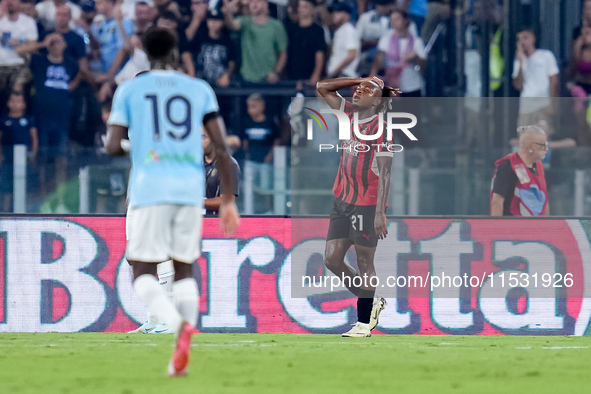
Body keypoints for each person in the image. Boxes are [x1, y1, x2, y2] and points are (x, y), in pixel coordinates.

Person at [106, 27, 240, 377]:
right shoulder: (199, 88)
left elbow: (111, 145)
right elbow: (222, 148)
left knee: (140, 267)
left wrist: (136, 147)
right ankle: (178, 335)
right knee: (183, 267)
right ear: (176, 51)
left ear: (144, 52)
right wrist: (228, 199)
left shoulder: (130, 89)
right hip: (187, 190)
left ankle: (172, 324)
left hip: (149, 189)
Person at [316, 75, 398, 337]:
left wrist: (380, 213)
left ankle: (364, 323)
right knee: (331, 259)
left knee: (365, 262)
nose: (358, 90)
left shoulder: (382, 128)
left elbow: (385, 174)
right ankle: (372, 302)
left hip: (366, 204)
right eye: (358, 87)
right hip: (342, 200)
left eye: (366, 89)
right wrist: (359, 78)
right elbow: (321, 87)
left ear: (376, 100)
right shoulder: (347, 113)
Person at [222, 0, 288, 84]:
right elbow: (231, 25)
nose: (254, 4)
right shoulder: (244, 22)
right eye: (251, 1)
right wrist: (228, 12)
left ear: (265, 4)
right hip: (247, 79)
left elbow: (283, 53)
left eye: (257, 1)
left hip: (268, 79)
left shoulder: (277, 26)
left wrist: (276, 73)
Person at [490, 125, 549, 217]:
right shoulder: (507, 165)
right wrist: (498, 229)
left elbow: (543, 200)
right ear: (531, 147)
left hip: (535, 227)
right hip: (512, 226)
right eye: (543, 145)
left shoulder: (538, 166)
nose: (546, 149)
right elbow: (497, 201)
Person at [370, 8, 426, 96]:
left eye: (397, 19)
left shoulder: (417, 41)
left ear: (406, 21)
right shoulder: (386, 39)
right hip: (391, 85)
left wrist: (414, 58)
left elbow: (424, 65)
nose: (393, 22)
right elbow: (379, 57)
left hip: (412, 86)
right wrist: (373, 72)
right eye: (392, 19)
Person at [512, 27, 559, 128]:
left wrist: (552, 103)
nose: (522, 42)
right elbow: (518, 86)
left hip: (543, 104)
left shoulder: (546, 56)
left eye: (525, 38)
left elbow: (553, 81)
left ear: (533, 38)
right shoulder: (518, 60)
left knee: (543, 137)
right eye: (519, 39)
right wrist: (520, 63)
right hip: (526, 106)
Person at [0, 91, 38, 211]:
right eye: (13, 101)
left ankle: (24, 211)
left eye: (19, 101)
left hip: (24, 159)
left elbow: (34, 138)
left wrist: (34, 154)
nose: (15, 104)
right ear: (8, 103)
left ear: (24, 105)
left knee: (24, 183)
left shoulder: (29, 120)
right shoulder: (3, 120)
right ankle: (6, 211)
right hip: (7, 159)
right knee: (6, 185)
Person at [285, 0, 326, 86]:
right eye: (299, 6)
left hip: (309, 75)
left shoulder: (318, 31)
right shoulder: (290, 29)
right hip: (291, 75)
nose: (301, 9)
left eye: (305, 7)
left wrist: (316, 74)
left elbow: (319, 54)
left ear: (313, 10)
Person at [204, 131, 241, 215]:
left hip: (215, 222)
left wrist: (195, 202)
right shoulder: (195, 163)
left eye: (203, 137)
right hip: (195, 221)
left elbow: (226, 201)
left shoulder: (229, 164)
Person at [326, 3, 360, 79]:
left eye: (338, 12)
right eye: (334, 12)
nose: (334, 14)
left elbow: (352, 55)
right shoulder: (341, 30)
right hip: (339, 75)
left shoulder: (348, 29)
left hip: (344, 75)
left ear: (347, 15)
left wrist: (336, 72)